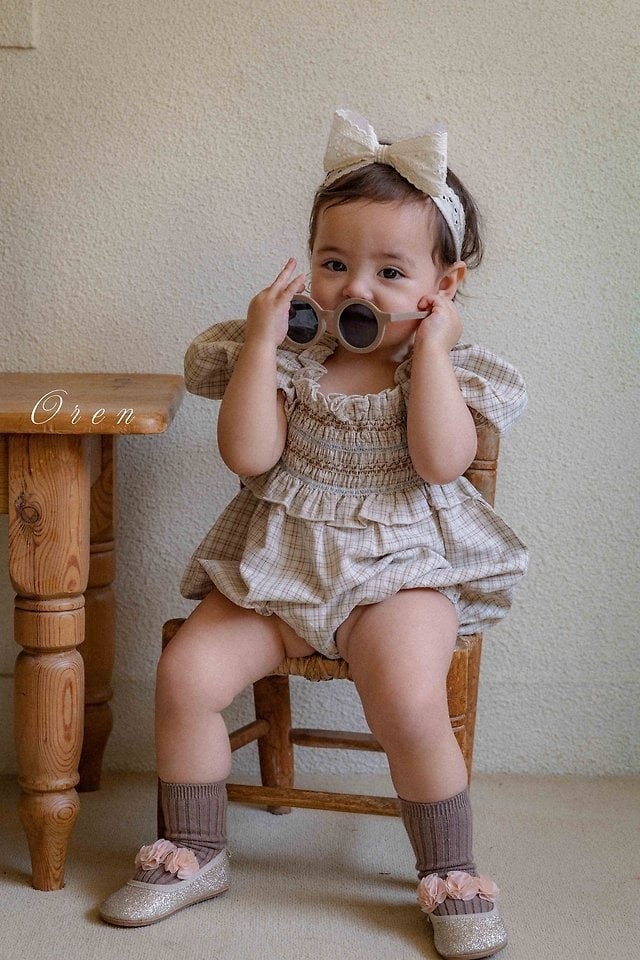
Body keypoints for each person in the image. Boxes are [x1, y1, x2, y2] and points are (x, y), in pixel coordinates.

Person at [100, 108, 527, 959]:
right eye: (334, 263)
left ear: (444, 285)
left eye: (390, 271)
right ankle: (194, 849)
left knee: (408, 697)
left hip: (399, 575)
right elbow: (249, 456)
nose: (354, 288)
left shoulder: (446, 373)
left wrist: (431, 352)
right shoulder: (293, 361)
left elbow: (442, 461)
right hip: (279, 571)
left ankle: (449, 870)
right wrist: (262, 347)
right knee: (186, 673)